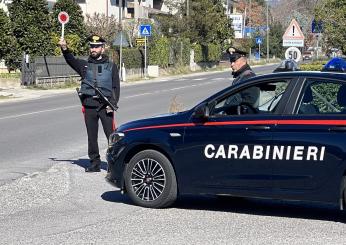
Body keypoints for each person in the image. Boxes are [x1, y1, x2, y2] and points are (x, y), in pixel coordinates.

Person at [59, 35, 120, 172]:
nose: (94, 48)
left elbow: (116, 87)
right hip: (89, 105)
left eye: (97, 46)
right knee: (92, 137)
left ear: (102, 48)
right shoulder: (84, 65)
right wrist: (64, 48)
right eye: (92, 46)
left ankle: (115, 164)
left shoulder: (111, 66)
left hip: (105, 106)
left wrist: (112, 104)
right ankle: (94, 163)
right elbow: (70, 60)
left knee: (111, 136)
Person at [224, 46, 259, 114]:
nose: (232, 64)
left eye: (234, 61)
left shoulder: (248, 78)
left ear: (244, 61)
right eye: (231, 61)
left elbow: (249, 107)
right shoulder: (241, 77)